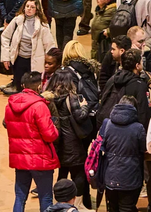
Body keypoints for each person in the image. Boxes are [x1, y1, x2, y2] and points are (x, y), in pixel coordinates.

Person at [4, 71, 58, 212]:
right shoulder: (40, 106)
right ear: (39, 87)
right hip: (41, 159)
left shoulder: (10, 105)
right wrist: (55, 127)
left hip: (20, 158)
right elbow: (50, 135)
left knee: (20, 197)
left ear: (23, 85)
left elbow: (6, 125)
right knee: (46, 197)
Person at [42, 70, 93, 210]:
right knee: (78, 173)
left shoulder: (47, 99)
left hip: (57, 142)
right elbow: (80, 117)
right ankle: (77, 205)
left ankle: (59, 204)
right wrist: (85, 106)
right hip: (73, 142)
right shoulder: (71, 97)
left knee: (62, 172)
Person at [97, 95, 146, 212]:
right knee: (127, 207)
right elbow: (143, 149)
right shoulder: (138, 128)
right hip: (131, 177)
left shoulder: (107, 124)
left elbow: (103, 145)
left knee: (113, 207)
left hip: (110, 175)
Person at [1, 0, 56, 93]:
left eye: (32, 7)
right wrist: (6, 57)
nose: (29, 9)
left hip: (34, 61)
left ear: (37, 9)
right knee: (19, 88)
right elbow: (5, 36)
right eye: (27, 6)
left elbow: (49, 45)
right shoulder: (17, 21)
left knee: (33, 89)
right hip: (19, 60)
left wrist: (50, 64)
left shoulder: (43, 25)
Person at [99, 50, 150, 129]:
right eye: (141, 61)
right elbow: (143, 114)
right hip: (130, 130)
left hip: (109, 127)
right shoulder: (140, 85)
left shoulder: (112, 80)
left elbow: (103, 101)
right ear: (137, 65)